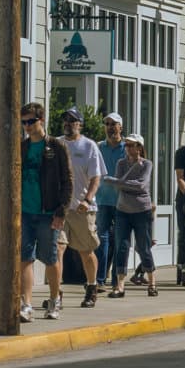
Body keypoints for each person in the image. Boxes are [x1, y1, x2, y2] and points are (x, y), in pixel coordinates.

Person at [16, 102, 72, 322]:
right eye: (24, 122)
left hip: (49, 211)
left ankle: (53, 299)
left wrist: (62, 211)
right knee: (25, 258)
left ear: (41, 120)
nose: (27, 126)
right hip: (26, 212)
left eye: (31, 121)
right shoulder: (22, 146)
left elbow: (68, 180)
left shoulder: (56, 147)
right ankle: (27, 304)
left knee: (50, 258)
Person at [59, 109, 105, 308]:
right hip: (59, 208)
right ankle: (56, 293)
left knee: (86, 251)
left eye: (73, 121)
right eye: (65, 120)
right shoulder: (56, 144)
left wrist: (87, 200)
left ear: (80, 124)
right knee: (57, 250)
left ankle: (92, 287)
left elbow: (96, 178)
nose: (68, 124)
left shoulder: (89, 146)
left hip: (81, 208)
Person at [106, 134, 158, 298]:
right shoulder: (121, 163)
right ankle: (120, 285)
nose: (127, 148)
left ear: (139, 147)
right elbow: (118, 187)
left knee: (144, 246)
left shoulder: (146, 164)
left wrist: (117, 182)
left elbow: (142, 185)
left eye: (131, 145)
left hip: (142, 211)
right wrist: (122, 183)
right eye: (126, 145)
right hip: (122, 210)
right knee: (121, 246)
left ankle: (151, 282)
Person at [94, 113, 127, 285]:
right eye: (107, 124)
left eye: (113, 124)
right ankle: (100, 279)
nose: (110, 127)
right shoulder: (99, 147)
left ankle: (116, 280)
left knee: (121, 239)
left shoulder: (127, 147)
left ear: (120, 127)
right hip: (102, 200)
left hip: (122, 201)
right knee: (102, 239)